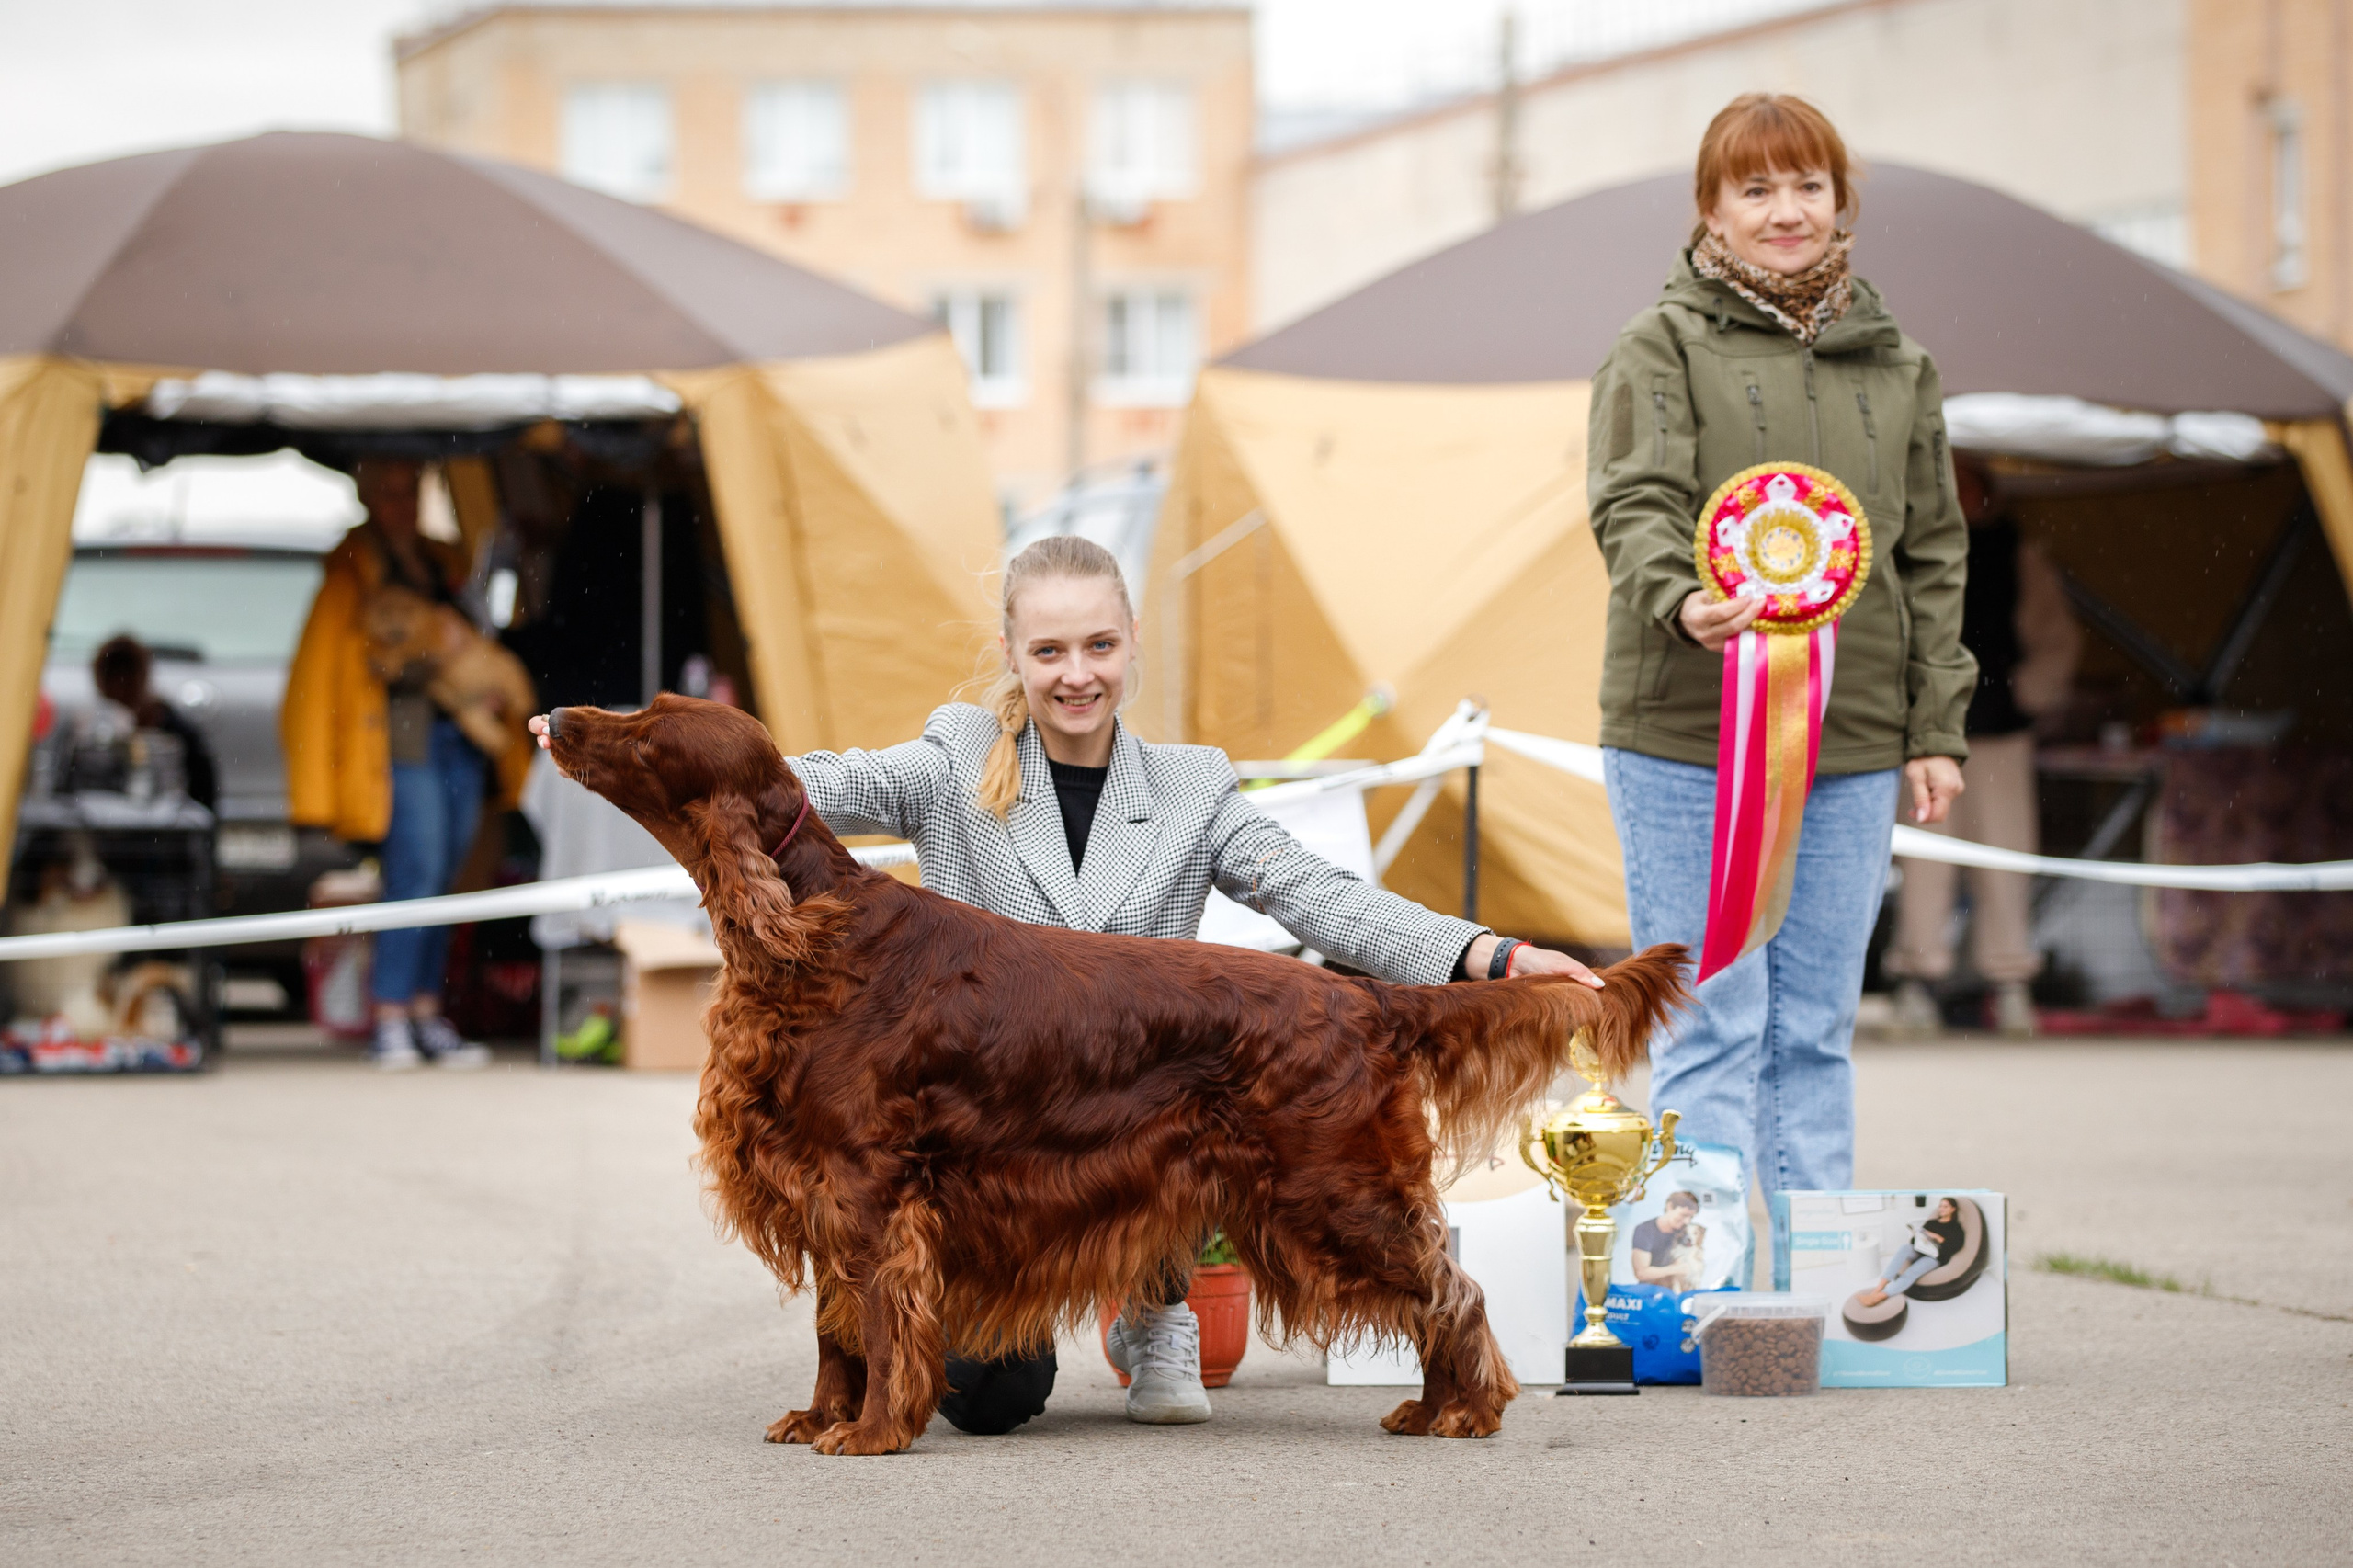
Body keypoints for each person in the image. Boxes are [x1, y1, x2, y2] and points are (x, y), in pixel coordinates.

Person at [589, 533, 1603, 1433]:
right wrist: (664, 756)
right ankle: (1022, 1333)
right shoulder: (952, 756)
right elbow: (810, 785)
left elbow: (1316, 894)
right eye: (1050, 651)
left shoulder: (1191, 784)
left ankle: (1240, 1317)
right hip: (992, 1121)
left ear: (1130, 645)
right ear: (1012, 658)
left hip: (1154, 1083)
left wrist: (1490, 957)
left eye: (1099, 646)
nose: (1077, 674)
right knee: (987, 1400)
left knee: (1334, 1210)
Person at [1586, 94, 1974, 1208]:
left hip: (1851, 742)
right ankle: (1694, 1286)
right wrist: (1681, 598)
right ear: (1710, 207)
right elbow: (1633, 501)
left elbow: (1932, 552)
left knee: (1815, 1024)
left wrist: (1934, 725)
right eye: (1755, 187)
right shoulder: (1654, 345)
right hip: (1683, 735)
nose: (1785, 209)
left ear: (1841, 201)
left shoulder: (1901, 364)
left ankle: (1814, 1283)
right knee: (1710, 1014)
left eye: (1807, 185)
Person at [283, 459, 521, 1071]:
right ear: (367, 496)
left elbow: (474, 640)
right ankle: (389, 1012)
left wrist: (478, 680)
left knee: (447, 879)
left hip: (461, 739)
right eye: (389, 492)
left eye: (410, 491)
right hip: (400, 744)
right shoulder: (353, 571)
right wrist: (426, 652)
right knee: (413, 873)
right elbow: (354, 663)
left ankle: (424, 1010)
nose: (402, 504)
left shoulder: (443, 561)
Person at [1887, 457, 2082, 1039]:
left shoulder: (2018, 556)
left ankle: (2010, 981)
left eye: (1966, 487)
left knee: (2005, 856)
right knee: (1925, 859)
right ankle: (1917, 980)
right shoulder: (1906, 550)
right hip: (1923, 733)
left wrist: (2025, 697)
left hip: (1997, 731)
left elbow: (2057, 640)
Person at [91, 634, 218, 812]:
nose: (121, 692)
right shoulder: (91, 737)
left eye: (127, 685)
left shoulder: (178, 737)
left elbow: (203, 801)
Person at [1858, 1197, 1962, 1307]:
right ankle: (1878, 1288)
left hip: (1934, 1257)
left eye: (1945, 1206)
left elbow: (1953, 1247)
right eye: (1940, 1206)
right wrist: (1919, 1237)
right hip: (1921, 1251)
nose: (1941, 1209)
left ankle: (1878, 1297)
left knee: (1912, 1271)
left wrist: (1936, 1237)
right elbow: (1913, 1242)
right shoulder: (1932, 1223)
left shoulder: (1955, 1228)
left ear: (1953, 1209)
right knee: (1904, 1248)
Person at [1630, 1191, 1704, 1292]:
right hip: (1651, 1292)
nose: (1687, 1221)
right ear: (1670, 1207)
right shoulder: (1645, 1230)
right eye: (1683, 1215)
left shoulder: (1686, 1231)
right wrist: (1676, 1269)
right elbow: (1641, 1273)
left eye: (1691, 1217)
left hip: (1680, 1291)